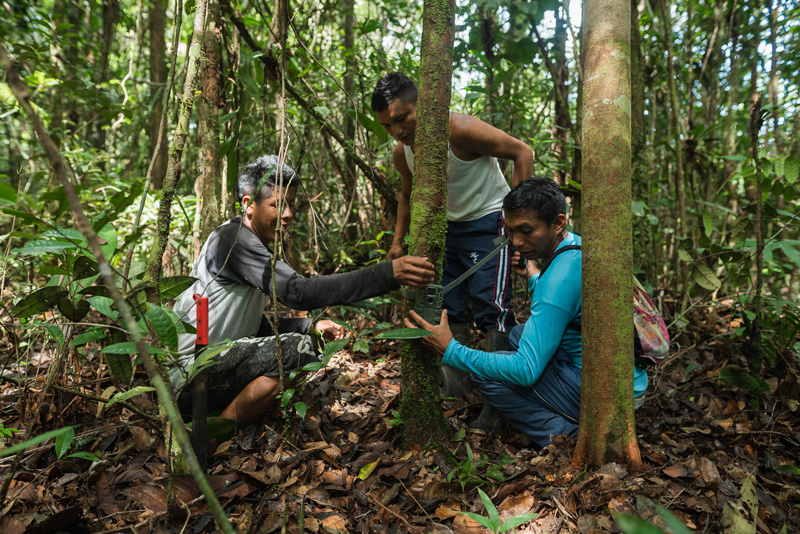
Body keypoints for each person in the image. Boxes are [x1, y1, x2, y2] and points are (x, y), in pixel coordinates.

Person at [170, 155, 435, 425]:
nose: (288, 214)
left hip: (210, 367)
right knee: (298, 351)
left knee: (303, 343)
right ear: (249, 205)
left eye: (291, 205)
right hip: (191, 379)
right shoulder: (234, 240)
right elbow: (300, 291)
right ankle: (213, 433)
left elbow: (247, 328)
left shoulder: (248, 243)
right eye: (277, 205)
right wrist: (389, 273)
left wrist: (309, 324)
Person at [405, 178, 648, 448]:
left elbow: (525, 371)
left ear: (558, 222)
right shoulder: (577, 247)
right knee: (520, 334)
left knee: (487, 374)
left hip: (612, 398)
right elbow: (569, 297)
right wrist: (534, 276)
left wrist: (450, 349)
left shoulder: (557, 281)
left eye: (527, 231)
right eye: (509, 231)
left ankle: (570, 436)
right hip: (627, 380)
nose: (516, 242)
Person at [371, 73, 534, 354]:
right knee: (447, 305)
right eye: (387, 125)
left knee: (491, 306)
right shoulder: (403, 153)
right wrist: (397, 243)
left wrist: (518, 225)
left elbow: (523, 153)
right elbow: (407, 196)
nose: (396, 131)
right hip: (446, 230)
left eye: (401, 119)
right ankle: (456, 390)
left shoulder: (460, 129)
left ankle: (500, 390)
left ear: (422, 106)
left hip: (489, 221)